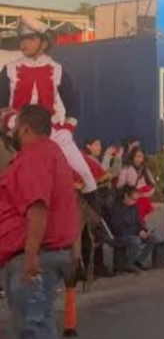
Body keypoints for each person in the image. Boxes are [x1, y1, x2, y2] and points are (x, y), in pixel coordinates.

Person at [0, 105, 81, 339]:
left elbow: (38, 205)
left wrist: (31, 255)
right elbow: (68, 202)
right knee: (40, 323)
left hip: (36, 256)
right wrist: (74, 246)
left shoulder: (36, 155)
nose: (13, 134)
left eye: (15, 129)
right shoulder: (54, 153)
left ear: (24, 129)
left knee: (31, 328)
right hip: (47, 253)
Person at [0, 17, 97, 199]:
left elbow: (73, 103)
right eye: (22, 39)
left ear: (44, 43)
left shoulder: (57, 69)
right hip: (17, 133)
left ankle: (98, 224)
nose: (24, 43)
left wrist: (68, 129)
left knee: (87, 176)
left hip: (52, 131)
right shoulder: (9, 69)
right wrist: (10, 122)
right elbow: (1, 104)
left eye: (30, 39)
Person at [109, 186, 162, 272]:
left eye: (136, 199)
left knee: (154, 239)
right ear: (126, 196)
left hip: (135, 233)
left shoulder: (134, 207)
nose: (135, 202)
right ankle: (129, 264)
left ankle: (139, 261)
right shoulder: (118, 209)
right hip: (122, 235)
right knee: (136, 240)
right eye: (133, 199)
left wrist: (144, 230)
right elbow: (118, 229)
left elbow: (139, 222)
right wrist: (137, 232)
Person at [116, 146, 156, 223]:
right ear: (132, 156)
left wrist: (145, 194)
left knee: (144, 223)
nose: (139, 159)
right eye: (137, 156)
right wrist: (131, 192)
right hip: (132, 201)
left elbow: (153, 185)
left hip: (145, 201)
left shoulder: (145, 169)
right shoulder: (126, 169)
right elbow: (119, 186)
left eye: (141, 156)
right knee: (135, 222)